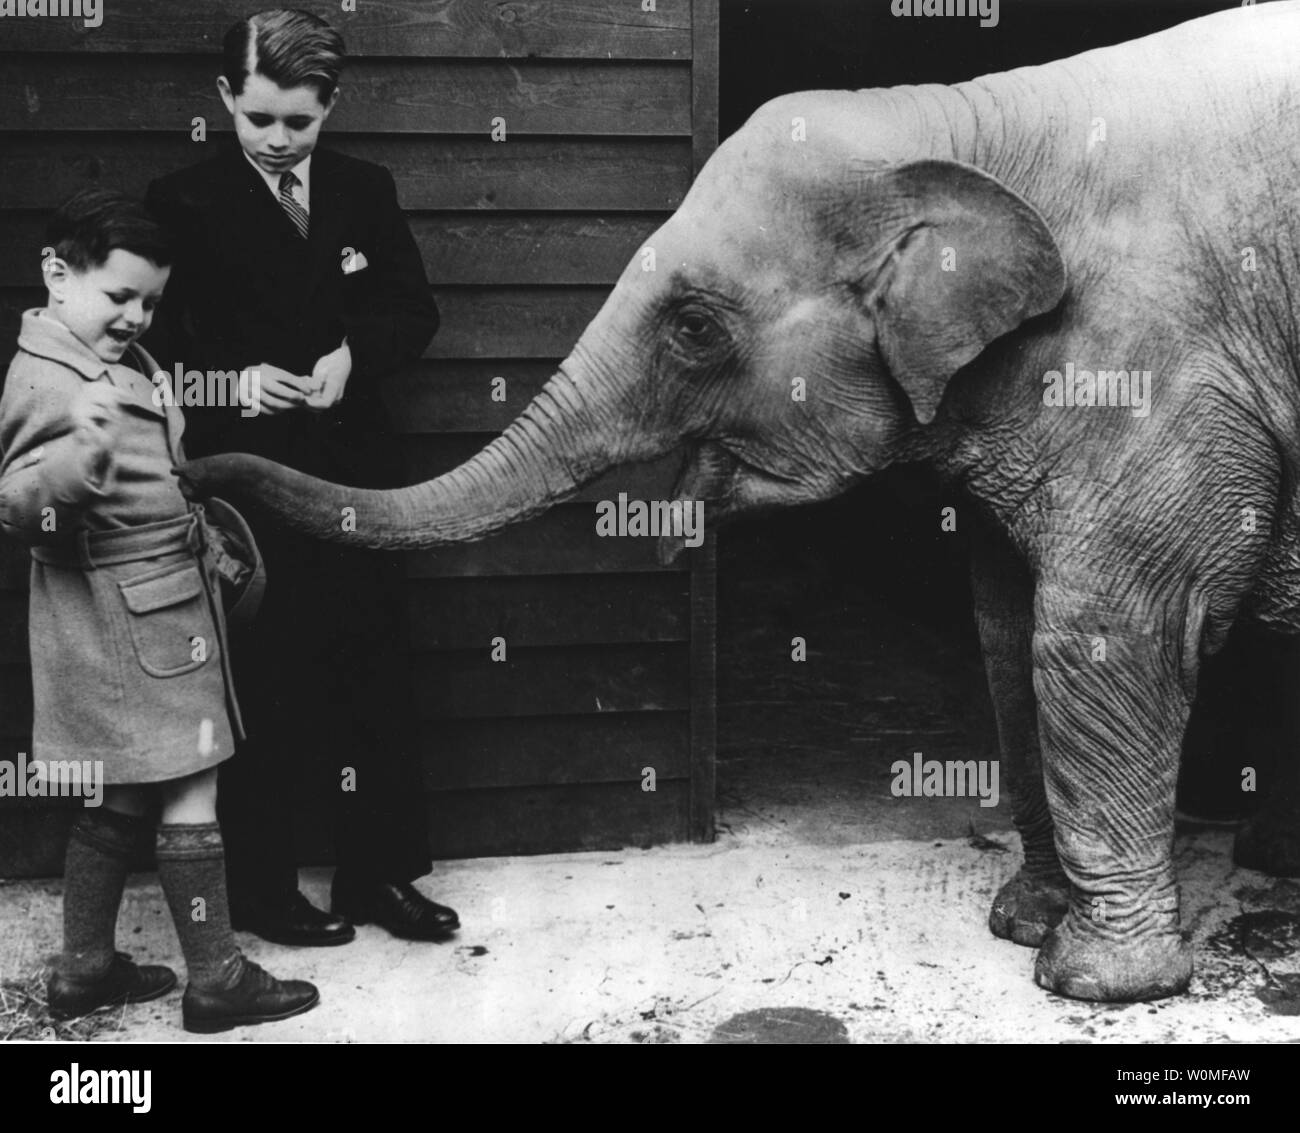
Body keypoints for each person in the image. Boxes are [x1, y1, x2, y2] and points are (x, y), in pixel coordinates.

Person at [144, 8, 458, 946]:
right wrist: (230, 382)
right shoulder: (183, 202)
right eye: (260, 120)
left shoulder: (366, 189)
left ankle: (377, 874)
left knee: (374, 664)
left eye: (300, 123)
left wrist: (356, 355)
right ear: (225, 100)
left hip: (358, 477)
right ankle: (266, 889)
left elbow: (414, 309)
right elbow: (149, 344)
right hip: (245, 488)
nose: (279, 141)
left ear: (332, 106)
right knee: (264, 679)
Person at [0, 189, 318, 1033]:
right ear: (56, 274)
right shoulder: (49, 377)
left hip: (147, 609)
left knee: (120, 796)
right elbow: (22, 508)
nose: (137, 316)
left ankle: (84, 971)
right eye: (120, 296)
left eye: (151, 301)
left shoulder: (110, 359)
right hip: (134, 618)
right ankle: (216, 978)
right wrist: (85, 455)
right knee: (191, 783)